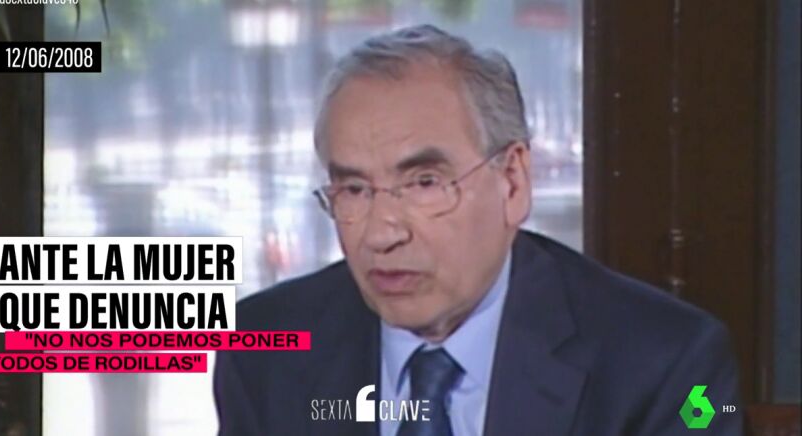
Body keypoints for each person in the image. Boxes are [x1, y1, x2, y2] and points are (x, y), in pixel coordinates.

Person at [214, 25, 742, 436]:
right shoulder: (265, 349)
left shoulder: (667, 365)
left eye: (424, 183)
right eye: (353, 189)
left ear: (512, 182)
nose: (381, 234)